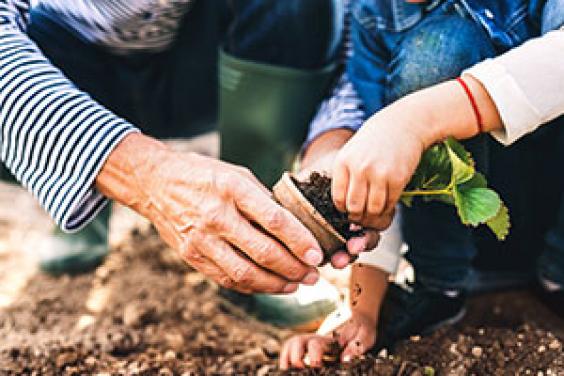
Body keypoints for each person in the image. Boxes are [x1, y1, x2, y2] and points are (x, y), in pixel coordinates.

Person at [0, 0, 376, 294]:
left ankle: (258, 230)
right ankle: (80, 196)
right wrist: (140, 173)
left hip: (201, 65)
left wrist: (332, 142)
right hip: (65, 59)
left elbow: (360, 27)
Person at [279, 0, 564, 369]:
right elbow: (376, 158)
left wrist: (416, 119)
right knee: (439, 48)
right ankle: (439, 287)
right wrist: (363, 309)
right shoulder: (374, 15)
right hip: (462, 245)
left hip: (547, 199)